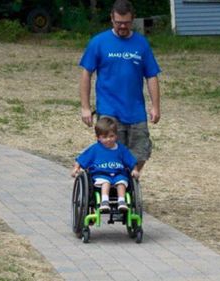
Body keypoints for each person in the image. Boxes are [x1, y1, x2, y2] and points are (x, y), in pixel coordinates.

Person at [79, 0, 161, 174]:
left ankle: (127, 184)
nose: (122, 26)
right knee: (112, 153)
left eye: (126, 23)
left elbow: (151, 76)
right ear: (111, 18)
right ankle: (114, 187)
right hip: (110, 110)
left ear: (133, 20)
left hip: (135, 111)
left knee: (140, 153)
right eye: (118, 23)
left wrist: (155, 106)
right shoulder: (98, 42)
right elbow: (86, 73)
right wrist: (85, 107)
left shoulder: (141, 44)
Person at [71, 117, 140, 212]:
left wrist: (135, 170)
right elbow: (82, 159)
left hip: (118, 174)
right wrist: (76, 168)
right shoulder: (95, 149)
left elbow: (131, 161)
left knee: (121, 182)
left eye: (111, 136)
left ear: (116, 136)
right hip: (101, 174)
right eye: (104, 137)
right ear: (98, 138)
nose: (108, 139)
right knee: (105, 182)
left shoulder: (121, 149)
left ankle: (122, 201)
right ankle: (104, 202)